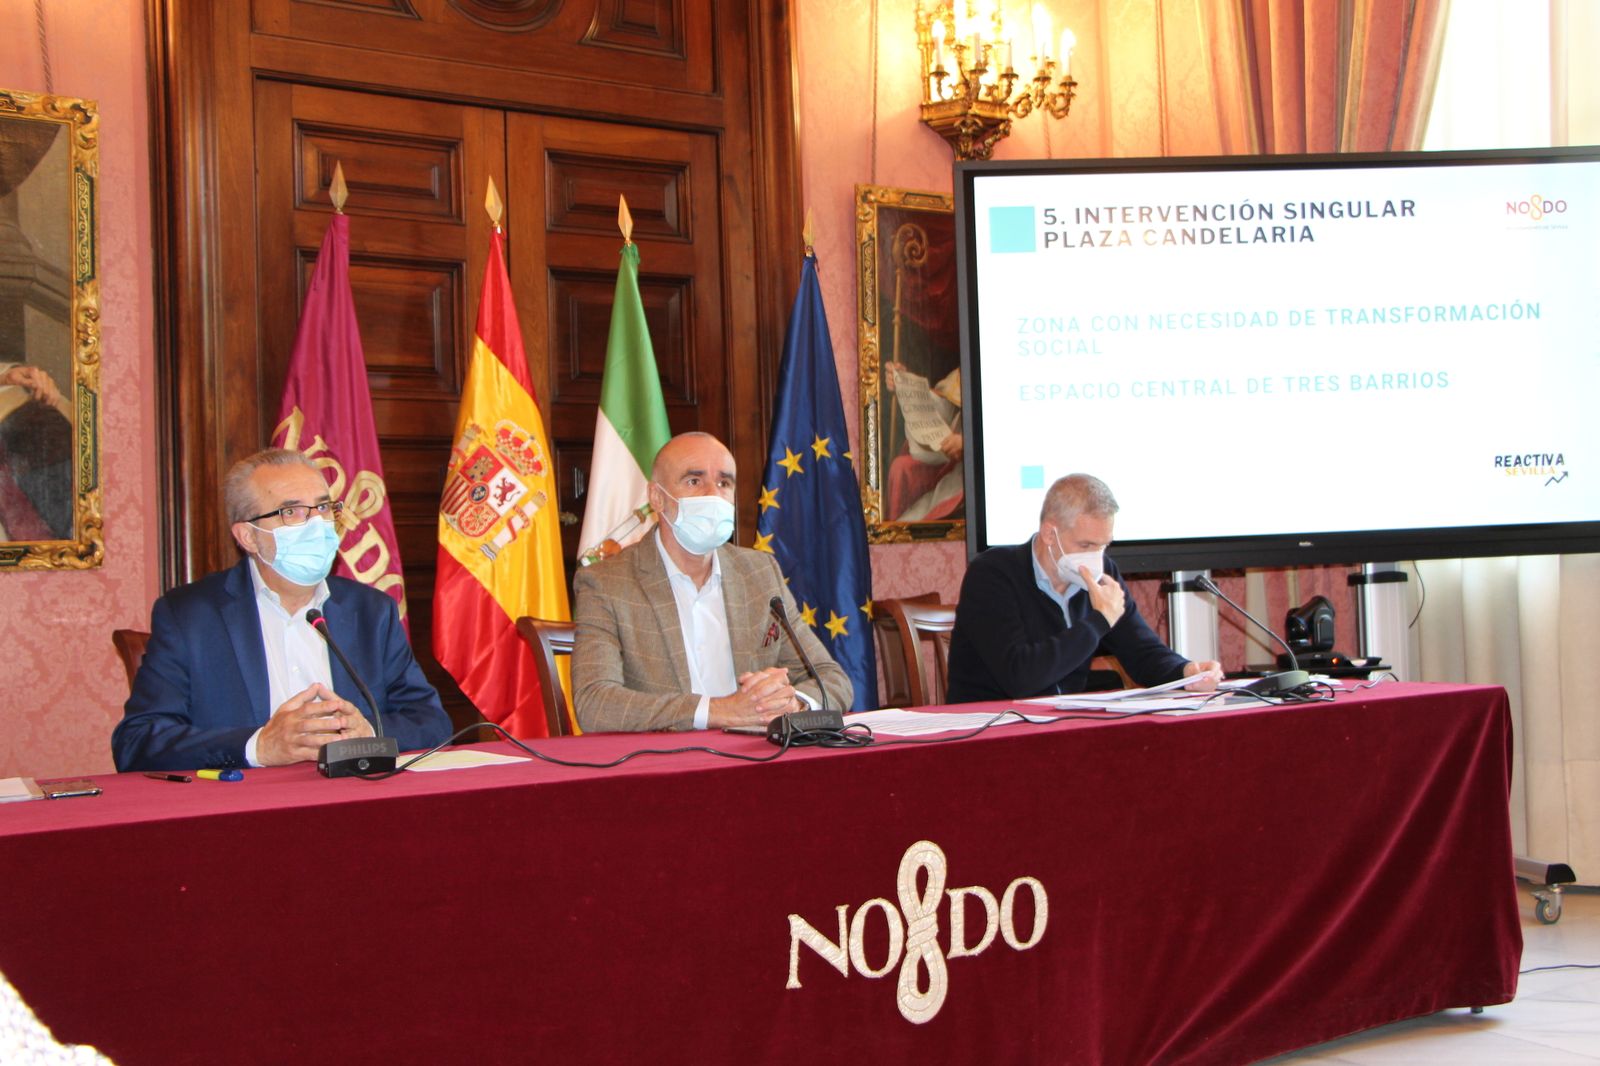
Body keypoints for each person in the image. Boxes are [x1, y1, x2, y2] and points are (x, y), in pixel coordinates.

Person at [112, 448, 450, 772]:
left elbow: (431, 722)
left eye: (322, 508)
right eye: (292, 512)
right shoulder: (189, 616)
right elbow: (138, 742)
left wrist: (371, 733)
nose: (317, 524)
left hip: (357, 803)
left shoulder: (371, 611)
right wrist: (258, 746)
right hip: (243, 814)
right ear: (248, 536)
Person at [572, 431, 852, 732]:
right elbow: (595, 704)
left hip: (757, 760)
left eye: (724, 483)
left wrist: (792, 704)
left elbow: (832, 679)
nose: (713, 495)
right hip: (666, 767)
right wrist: (717, 711)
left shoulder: (758, 572)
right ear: (657, 498)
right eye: (694, 481)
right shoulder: (605, 584)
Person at [946, 473, 1222, 703]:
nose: (1096, 557)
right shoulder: (992, 574)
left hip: (1062, 729)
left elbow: (1141, 651)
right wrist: (1099, 620)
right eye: (1086, 546)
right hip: (989, 730)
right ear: (1049, 533)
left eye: (1103, 546)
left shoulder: (1103, 575)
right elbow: (1021, 678)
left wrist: (1186, 671)